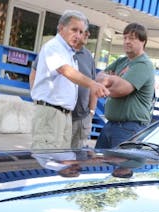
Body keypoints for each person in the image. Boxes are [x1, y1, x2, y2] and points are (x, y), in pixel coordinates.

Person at [30, 11, 108, 149]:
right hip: (51, 113)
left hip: (66, 115)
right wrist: (92, 84)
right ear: (61, 28)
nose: (78, 35)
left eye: (81, 31)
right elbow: (65, 70)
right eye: (74, 30)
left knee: (62, 162)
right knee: (47, 161)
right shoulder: (53, 47)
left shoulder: (69, 52)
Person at [95, 23, 155, 149]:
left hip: (129, 128)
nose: (127, 41)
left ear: (143, 41)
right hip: (111, 125)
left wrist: (110, 81)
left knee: (121, 168)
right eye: (125, 38)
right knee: (99, 165)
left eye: (132, 38)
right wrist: (114, 80)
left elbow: (121, 90)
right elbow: (98, 78)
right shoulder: (122, 61)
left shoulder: (143, 64)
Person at [71, 30, 97, 149]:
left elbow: (93, 85)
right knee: (53, 158)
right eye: (85, 31)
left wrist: (91, 112)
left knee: (75, 162)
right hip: (59, 116)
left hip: (82, 119)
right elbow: (34, 74)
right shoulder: (58, 50)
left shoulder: (88, 56)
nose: (88, 34)